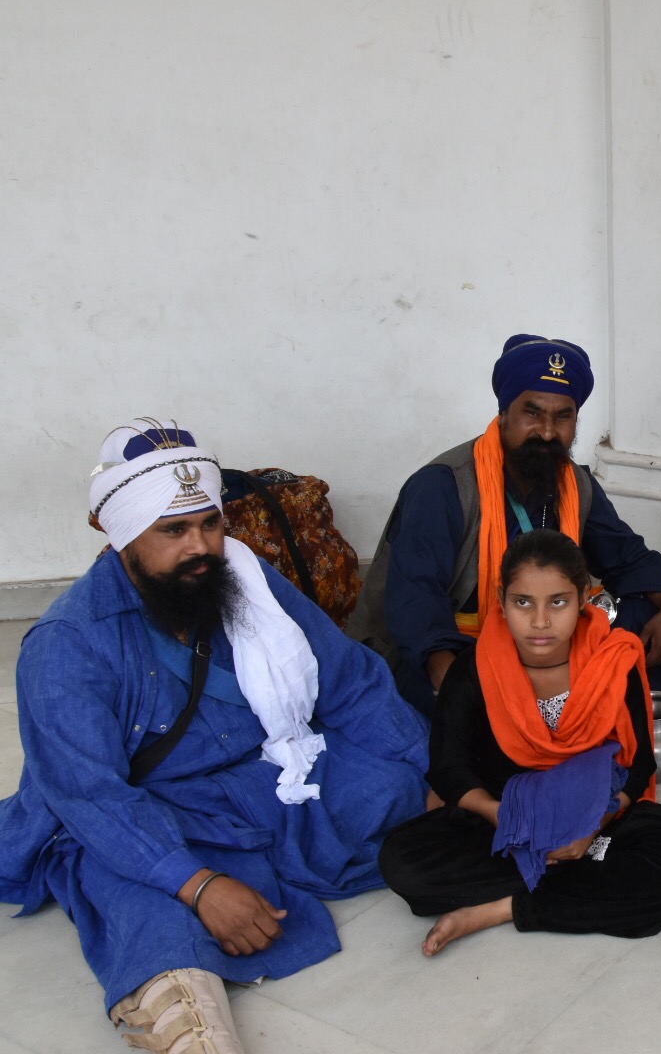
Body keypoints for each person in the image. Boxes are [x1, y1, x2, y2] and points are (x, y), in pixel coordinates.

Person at [0, 419, 430, 1054]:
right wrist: (198, 884)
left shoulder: (249, 581)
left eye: (210, 523)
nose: (200, 546)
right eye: (172, 531)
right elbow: (90, 794)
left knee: (391, 781)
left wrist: (426, 773)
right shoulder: (67, 646)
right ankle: (189, 1024)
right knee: (133, 887)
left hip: (266, 776)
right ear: (125, 539)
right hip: (154, 806)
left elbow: (350, 681)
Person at [378, 529, 661, 954]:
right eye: (523, 602)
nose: (539, 622)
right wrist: (506, 819)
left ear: (583, 599)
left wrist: (591, 827)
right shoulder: (474, 670)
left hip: (597, 820)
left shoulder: (613, 662)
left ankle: (501, 908)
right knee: (403, 862)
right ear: (501, 600)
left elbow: (639, 765)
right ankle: (578, 890)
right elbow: (448, 766)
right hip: (502, 823)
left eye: (557, 602)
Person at [349, 335, 661, 715]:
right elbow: (414, 596)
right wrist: (450, 684)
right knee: (440, 693)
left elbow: (626, 554)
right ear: (504, 414)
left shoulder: (573, 482)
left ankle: (568, 695)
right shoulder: (444, 484)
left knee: (652, 622)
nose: (547, 432)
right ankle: (579, 695)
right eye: (532, 413)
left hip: (543, 630)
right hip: (459, 640)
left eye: (562, 417)